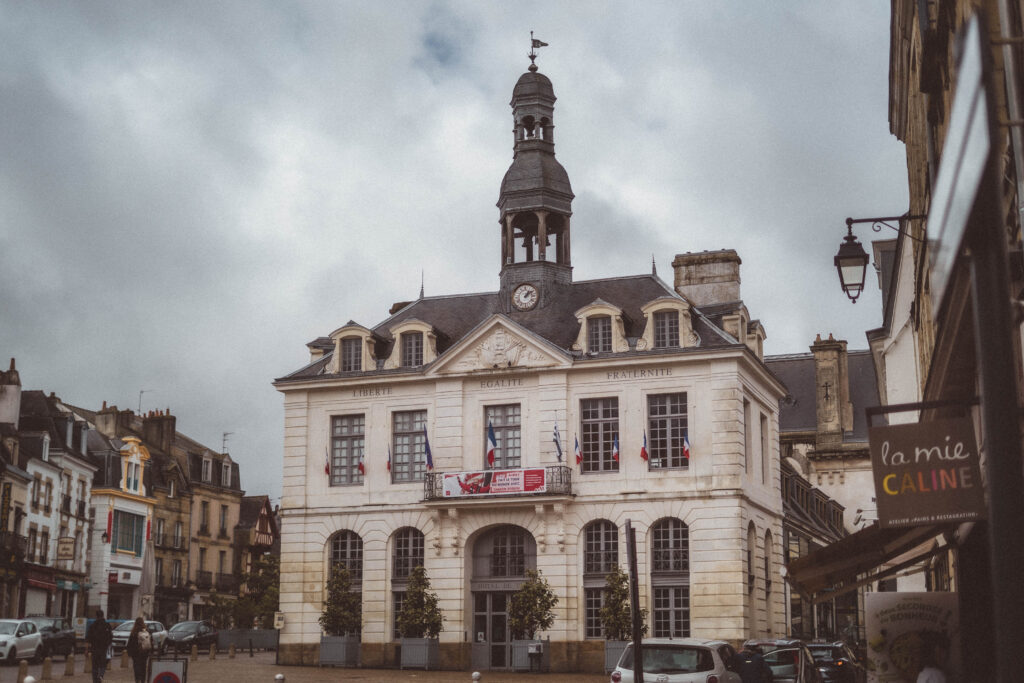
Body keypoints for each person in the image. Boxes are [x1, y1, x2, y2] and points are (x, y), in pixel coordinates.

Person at [85, 609, 113, 683]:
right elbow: (110, 638)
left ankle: (95, 680)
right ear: (103, 615)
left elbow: (88, 638)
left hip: (94, 648)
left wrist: (87, 649)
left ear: (96, 616)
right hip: (104, 649)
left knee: (95, 665)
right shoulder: (107, 625)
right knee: (103, 664)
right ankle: (100, 675)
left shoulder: (93, 625)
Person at [126, 617, 153, 683]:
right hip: (144, 652)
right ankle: (143, 680)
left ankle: (137, 680)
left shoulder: (134, 632)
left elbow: (130, 643)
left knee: (136, 667)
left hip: (135, 653)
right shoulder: (146, 631)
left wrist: (129, 653)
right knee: (143, 667)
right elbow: (150, 642)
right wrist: (150, 651)